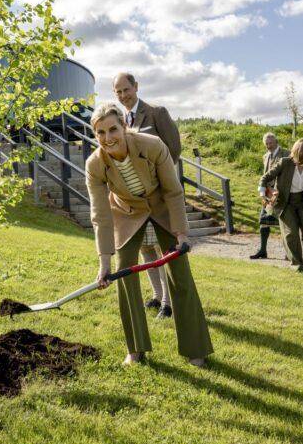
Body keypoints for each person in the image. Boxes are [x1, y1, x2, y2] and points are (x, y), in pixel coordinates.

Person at [86, 102, 213, 367]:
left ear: (124, 126)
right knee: (123, 272)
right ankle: (135, 349)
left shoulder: (152, 145)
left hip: (162, 206)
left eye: (113, 129)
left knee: (180, 273)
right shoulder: (95, 164)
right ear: (95, 135)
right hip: (128, 212)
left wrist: (181, 234)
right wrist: (104, 263)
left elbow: (173, 191)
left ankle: (195, 348)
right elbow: (100, 215)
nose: (108, 138)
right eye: (100, 133)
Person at [112, 71, 180, 318]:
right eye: (118, 92)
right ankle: (157, 295)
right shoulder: (119, 120)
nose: (123, 95)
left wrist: (160, 181)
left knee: (163, 250)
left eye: (126, 90)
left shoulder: (156, 113)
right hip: (135, 201)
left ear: (136, 87)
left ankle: (169, 302)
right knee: (145, 249)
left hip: (158, 196)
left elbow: (173, 149)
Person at [260, 137, 303, 275]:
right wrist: (264, 194)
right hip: (286, 203)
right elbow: (264, 178)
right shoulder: (285, 162)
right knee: (291, 235)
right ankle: (297, 266)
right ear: (301, 150)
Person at [251, 132, 287, 259]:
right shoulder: (265, 156)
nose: (268, 145)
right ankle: (262, 250)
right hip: (267, 194)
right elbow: (265, 175)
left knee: (285, 224)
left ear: (276, 142)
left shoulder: (286, 154)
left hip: (281, 194)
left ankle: (289, 252)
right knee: (263, 222)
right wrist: (262, 193)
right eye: (266, 143)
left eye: (270, 143)